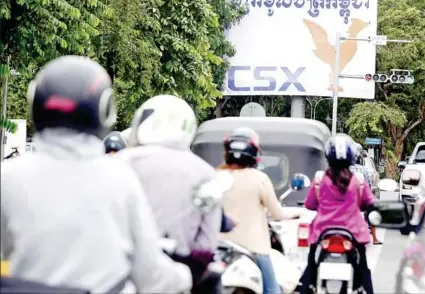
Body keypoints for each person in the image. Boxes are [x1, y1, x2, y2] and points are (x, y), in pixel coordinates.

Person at [0, 56, 192, 293]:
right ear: (105, 110)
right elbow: (150, 276)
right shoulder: (120, 178)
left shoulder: (8, 177)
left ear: (35, 105)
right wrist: (186, 276)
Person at [117, 95, 222, 291]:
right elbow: (206, 244)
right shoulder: (206, 173)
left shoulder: (120, 163)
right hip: (177, 274)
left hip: (122, 271)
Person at [218, 127, 301, 294]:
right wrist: (295, 213)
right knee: (272, 290)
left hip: (218, 247)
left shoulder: (215, 176)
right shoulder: (259, 178)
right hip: (254, 249)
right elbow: (277, 213)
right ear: (254, 154)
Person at [300, 134, 375, 294]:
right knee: (363, 270)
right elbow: (369, 203)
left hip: (322, 232)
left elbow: (309, 204)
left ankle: (308, 287)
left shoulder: (320, 180)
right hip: (354, 233)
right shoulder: (358, 181)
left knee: (311, 267)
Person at [351, 143, 383, 245]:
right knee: (373, 212)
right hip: (361, 202)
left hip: (348, 201)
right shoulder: (363, 170)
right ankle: (374, 239)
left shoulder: (344, 169)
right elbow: (368, 187)